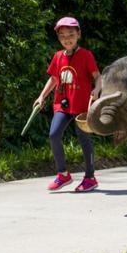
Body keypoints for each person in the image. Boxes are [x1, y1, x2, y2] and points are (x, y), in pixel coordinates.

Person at [34, 17, 102, 192]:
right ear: (59, 38)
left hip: (81, 106)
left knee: (84, 139)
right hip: (63, 105)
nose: (67, 38)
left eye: (71, 34)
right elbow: (54, 79)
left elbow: (97, 77)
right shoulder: (58, 56)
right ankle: (63, 174)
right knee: (54, 135)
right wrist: (42, 96)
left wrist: (97, 90)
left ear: (78, 34)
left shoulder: (86, 55)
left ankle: (90, 177)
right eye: (63, 35)